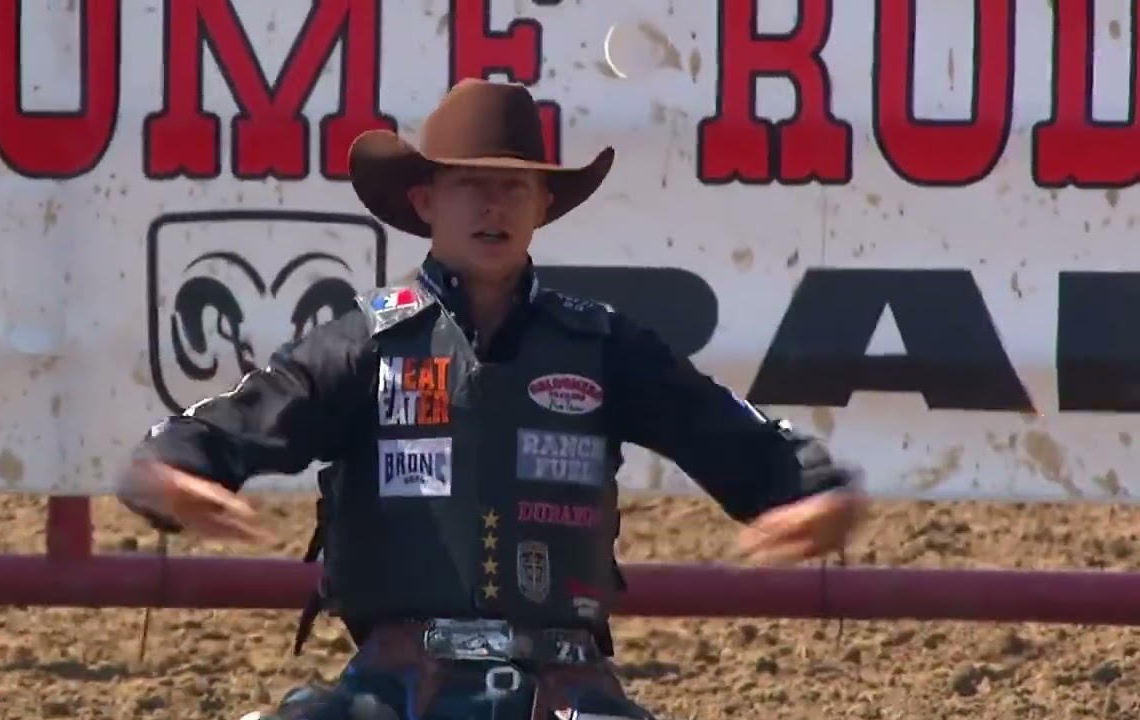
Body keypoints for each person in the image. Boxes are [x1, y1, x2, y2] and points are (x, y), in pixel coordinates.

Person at [117, 78, 869, 720]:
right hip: (397, 684)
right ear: (425, 200)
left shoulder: (604, 346)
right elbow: (249, 410)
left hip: (564, 683)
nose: (493, 206)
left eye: (514, 187)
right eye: (470, 185)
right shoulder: (363, 345)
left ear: (542, 204)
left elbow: (723, 427)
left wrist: (813, 490)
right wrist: (172, 468)